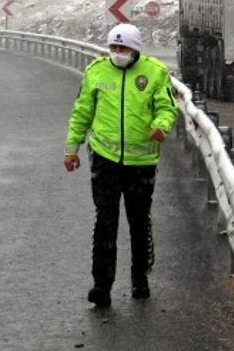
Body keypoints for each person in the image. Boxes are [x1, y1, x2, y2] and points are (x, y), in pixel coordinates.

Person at [63, 23, 178, 308]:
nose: (117, 53)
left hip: (142, 163)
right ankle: (101, 286)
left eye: (123, 48)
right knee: (105, 222)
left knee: (139, 222)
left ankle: (140, 278)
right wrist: (71, 149)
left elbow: (166, 107)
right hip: (105, 160)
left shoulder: (155, 72)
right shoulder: (96, 71)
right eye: (113, 48)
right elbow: (82, 112)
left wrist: (161, 126)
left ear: (135, 48)